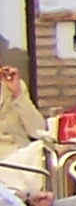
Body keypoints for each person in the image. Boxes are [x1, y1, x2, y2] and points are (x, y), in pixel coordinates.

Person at [0, 59, 48, 195]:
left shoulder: (14, 86)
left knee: (45, 149)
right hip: (3, 162)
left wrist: (18, 95)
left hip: (25, 155)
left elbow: (37, 130)